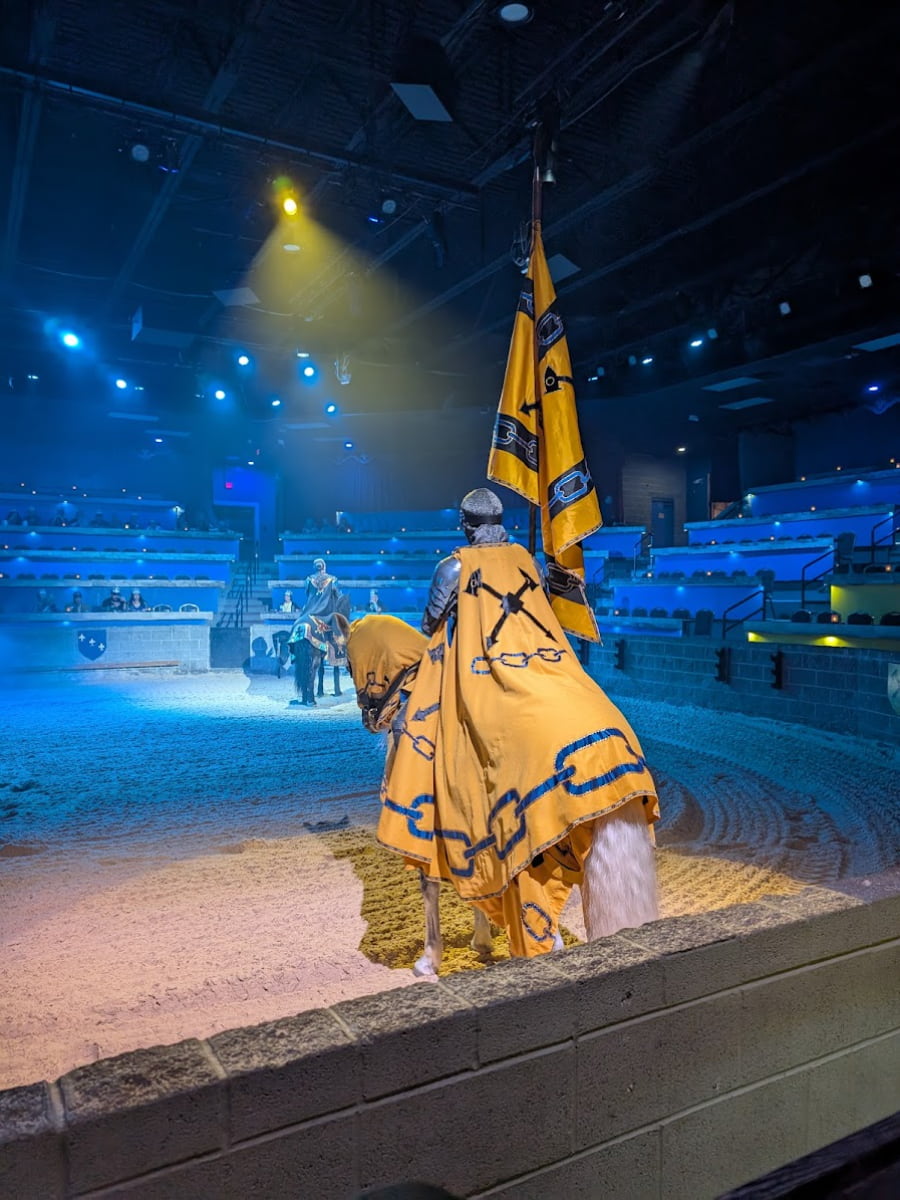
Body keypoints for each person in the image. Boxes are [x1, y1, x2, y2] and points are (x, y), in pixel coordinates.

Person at [373, 486, 660, 959]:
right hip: (542, 663)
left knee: (429, 731)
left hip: (487, 674)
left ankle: (450, 827)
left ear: (465, 525)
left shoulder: (452, 567)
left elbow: (429, 627)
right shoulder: (527, 559)